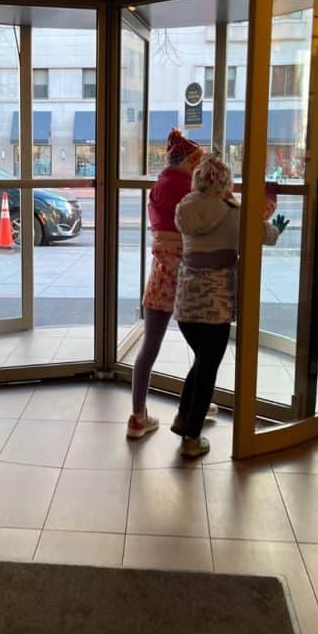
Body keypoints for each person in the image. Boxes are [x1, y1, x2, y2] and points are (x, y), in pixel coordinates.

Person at [173, 154, 288, 458]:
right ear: (226, 183)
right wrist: (274, 227)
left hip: (186, 304)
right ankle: (191, 438)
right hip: (216, 307)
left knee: (200, 362)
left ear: (197, 179)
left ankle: (184, 418)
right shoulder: (233, 214)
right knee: (207, 369)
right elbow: (265, 235)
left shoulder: (185, 208)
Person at [126, 129, 204, 439]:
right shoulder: (193, 188)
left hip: (160, 279)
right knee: (202, 349)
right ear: (189, 161)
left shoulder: (158, 188)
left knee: (148, 348)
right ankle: (194, 405)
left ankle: (137, 416)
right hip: (189, 279)